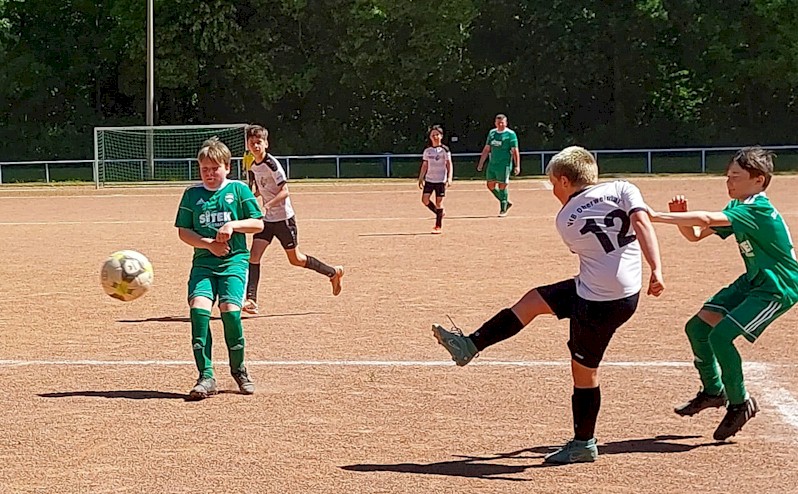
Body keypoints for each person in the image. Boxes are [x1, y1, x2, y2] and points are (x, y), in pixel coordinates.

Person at [432, 146, 664, 464]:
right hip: (618, 290)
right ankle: (470, 345)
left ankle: (584, 443)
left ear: (566, 181)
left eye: (554, 183)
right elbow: (642, 223)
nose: (553, 190)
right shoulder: (624, 187)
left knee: (584, 372)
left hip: (599, 301)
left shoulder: (566, 218)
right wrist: (657, 268)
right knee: (534, 300)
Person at [648, 146, 798, 441]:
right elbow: (695, 235)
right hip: (755, 280)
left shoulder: (758, 209)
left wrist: (655, 216)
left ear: (759, 180)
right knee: (697, 328)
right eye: (727, 176)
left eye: (735, 177)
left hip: (777, 287)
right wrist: (681, 218)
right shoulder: (739, 206)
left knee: (720, 336)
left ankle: (739, 403)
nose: (728, 182)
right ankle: (714, 391)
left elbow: (704, 218)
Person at [174, 137, 265, 400]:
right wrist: (208, 244)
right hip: (203, 264)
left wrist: (233, 226)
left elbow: (258, 224)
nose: (210, 174)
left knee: (230, 313)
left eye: (215, 168)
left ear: (227, 167)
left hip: (234, 262)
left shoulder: (238, 191)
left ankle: (239, 370)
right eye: (205, 169)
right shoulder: (192, 195)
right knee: (199, 311)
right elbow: (183, 231)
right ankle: (206, 376)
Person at [242, 124, 344, 315]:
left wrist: (269, 204)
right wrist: (249, 200)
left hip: (283, 219)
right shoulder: (252, 166)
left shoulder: (272, 164)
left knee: (296, 259)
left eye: (259, 142)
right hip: (266, 220)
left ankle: (333, 272)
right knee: (253, 256)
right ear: (247, 144)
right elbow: (258, 189)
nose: (255, 146)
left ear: (266, 143)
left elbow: (285, 191)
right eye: (252, 142)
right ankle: (251, 300)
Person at [477, 114, 520, 217]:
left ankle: (503, 207)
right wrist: (481, 163)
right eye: (498, 122)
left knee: (502, 185)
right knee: (490, 185)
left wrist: (517, 165)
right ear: (495, 123)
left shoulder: (510, 134)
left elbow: (515, 151)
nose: (500, 124)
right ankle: (505, 201)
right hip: (493, 164)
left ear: (506, 123)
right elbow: (487, 148)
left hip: (504, 164)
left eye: (502, 122)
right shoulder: (492, 133)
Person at [418, 125, 453, 233]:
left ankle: (438, 226)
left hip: (440, 180)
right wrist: (420, 177)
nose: (435, 136)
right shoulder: (427, 151)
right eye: (433, 135)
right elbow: (425, 164)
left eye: (437, 134)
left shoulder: (444, 150)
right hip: (429, 179)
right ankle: (439, 213)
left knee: (439, 202)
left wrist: (449, 177)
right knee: (425, 200)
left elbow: (449, 164)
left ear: (441, 136)